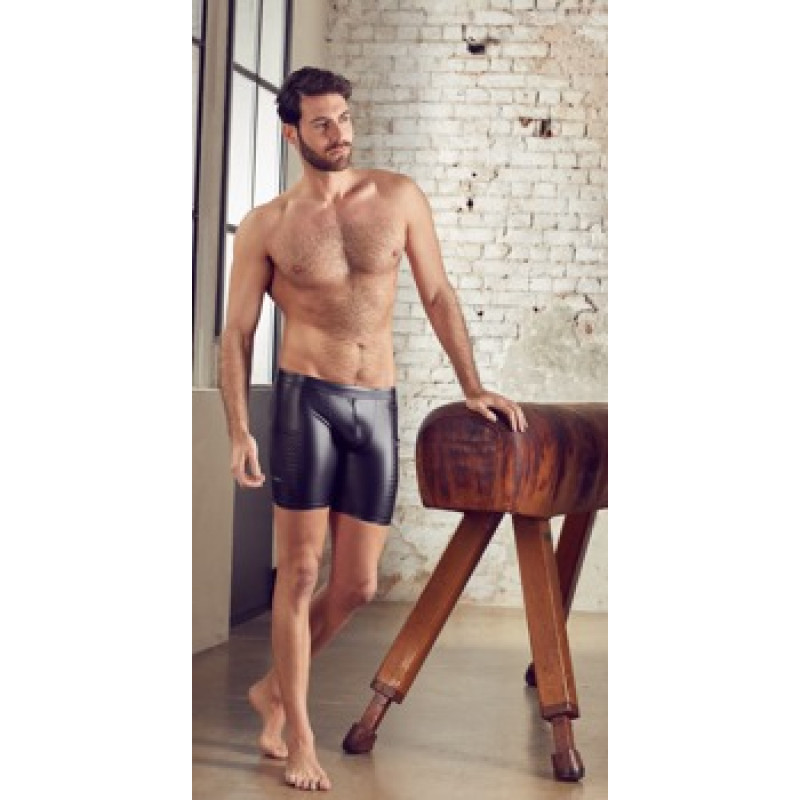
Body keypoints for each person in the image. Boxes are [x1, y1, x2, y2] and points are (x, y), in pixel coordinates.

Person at [219, 66, 528, 792]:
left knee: (357, 583)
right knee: (299, 574)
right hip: (306, 405)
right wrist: (239, 430)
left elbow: (437, 292)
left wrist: (472, 385)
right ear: (292, 132)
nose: (340, 133)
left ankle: (270, 689)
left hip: (376, 403)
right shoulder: (268, 226)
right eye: (322, 123)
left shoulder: (398, 198)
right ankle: (296, 732)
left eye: (345, 118)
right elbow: (235, 334)